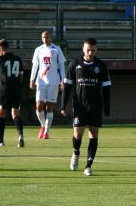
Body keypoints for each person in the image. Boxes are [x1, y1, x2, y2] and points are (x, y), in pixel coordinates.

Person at [61, 37, 111, 176]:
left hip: (95, 105)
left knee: (93, 134)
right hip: (79, 105)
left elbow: (106, 88)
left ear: (96, 50)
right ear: (83, 48)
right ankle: (76, 153)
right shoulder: (74, 64)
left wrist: (107, 107)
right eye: (88, 49)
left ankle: (88, 166)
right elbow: (67, 86)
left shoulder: (101, 65)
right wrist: (63, 105)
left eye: (93, 50)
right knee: (77, 133)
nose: (90, 52)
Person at [0, 39, 25, 147]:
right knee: (15, 114)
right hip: (16, 90)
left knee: (0, 113)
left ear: (0, 48)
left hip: (4, 90)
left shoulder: (0, 58)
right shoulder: (18, 59)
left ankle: (0, 141)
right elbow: (21, 77)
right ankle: (20, 136)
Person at [29, 30, 66, 139]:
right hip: (41, 81)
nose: (45, 39)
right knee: (39, 106)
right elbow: (35, 66)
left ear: (51, 38)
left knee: (49, 107)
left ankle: (46, 131)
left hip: (54, 81)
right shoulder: (38, 50)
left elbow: (62, 66)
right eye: (43, 37)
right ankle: (42, 125)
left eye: (47, 37)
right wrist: (32, 79)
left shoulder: (57, 49)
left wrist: (63, 79)